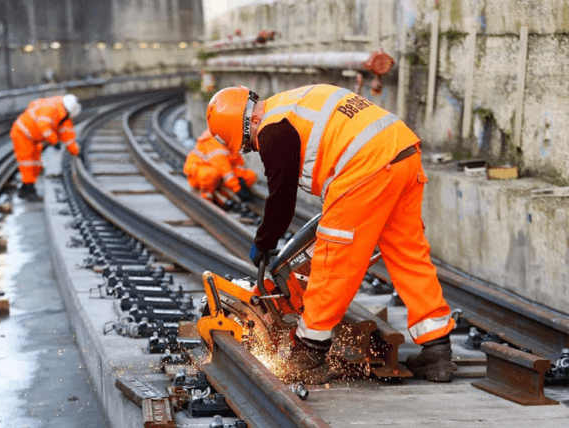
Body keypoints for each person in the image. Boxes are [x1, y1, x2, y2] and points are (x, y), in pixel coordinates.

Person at [205, 84, 456, 382]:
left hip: (364, 167)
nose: (255, 149)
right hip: (402, 154)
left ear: (250, 124)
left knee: (333, 258)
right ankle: (437, 350)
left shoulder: (272, 131)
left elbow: (281, 200)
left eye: (248, 144)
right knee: (407, 253)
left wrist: (264, 242)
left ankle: (310, 352)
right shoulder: (290, 104)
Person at [10, 94, 81, 201]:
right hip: (22, 134)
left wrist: (76, 151)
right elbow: (43, 126)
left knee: (36, 163)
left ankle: (25, 189)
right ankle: (29, 188)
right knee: (27, 162)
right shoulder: (50, 108)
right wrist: (54, 140)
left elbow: (68, 137)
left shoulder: (63, 117)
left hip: (33, 138)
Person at [183, 130, 256, 203]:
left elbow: (236, 164)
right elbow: (224, 169)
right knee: (211, 174)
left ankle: (224, 196)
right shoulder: (213, 139)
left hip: (219, 175)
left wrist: (240, 178)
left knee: (249, 176)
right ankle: (207, 198)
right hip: (199, 174)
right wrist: (237, 189)